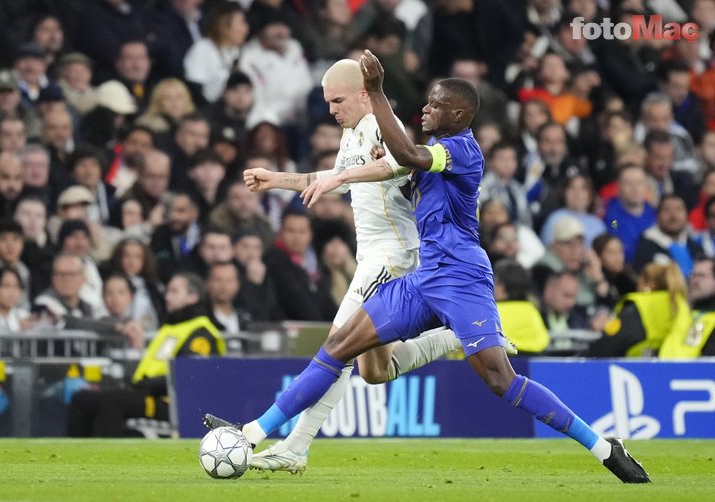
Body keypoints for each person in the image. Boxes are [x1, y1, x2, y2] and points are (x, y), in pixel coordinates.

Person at [209, 51, 650, 483]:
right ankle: (254, 435)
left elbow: (405, 155)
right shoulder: (423, 149)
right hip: (422, 279)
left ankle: (603, 446)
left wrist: (378, 95)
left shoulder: (461, 150)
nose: (425, 108)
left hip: (459, 276)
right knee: (347, 353)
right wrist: (290, 179)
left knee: (501, 381)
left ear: (458, 115)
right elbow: (403, 173)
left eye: (436, 105)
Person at [241, 59, 470, 472]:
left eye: (338, 100)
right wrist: (276, 178)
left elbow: (399, 164)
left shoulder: (384, 124)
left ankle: (292, 445)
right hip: (371, 255)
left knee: (338, 345)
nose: (331, 110)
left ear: (364, 94)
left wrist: (340, 179)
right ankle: (453, 338)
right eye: (327, 101)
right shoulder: (352, 131)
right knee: (376, 369)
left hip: (393, 256)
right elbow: (333, 177)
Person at [67, 272, 225, 437]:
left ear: (193, 297)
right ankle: (77, 452)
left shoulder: (201, 332)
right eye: (168, 291)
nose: (167, 297)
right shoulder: (171, 328)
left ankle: (106, 452)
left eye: (174, 291)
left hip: (172, 403)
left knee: (112, 401)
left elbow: (189, 377)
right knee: (82, 398)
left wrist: (145, 384)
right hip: (149, 393)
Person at [584, 263, 690, 358]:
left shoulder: (641, 306)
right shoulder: (682, 306)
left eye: (639, 284)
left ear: (649, 283)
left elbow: (606, 345)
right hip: (674, 366)